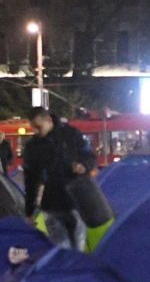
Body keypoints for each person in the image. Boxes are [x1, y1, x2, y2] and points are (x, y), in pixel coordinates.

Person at [20, 105, 96, 247]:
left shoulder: (72, 135)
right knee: (62, 250)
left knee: (76, 248)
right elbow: (30, 180)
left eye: (38, 127)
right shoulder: (32, 146)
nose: (35, 131)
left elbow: (90, 157)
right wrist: (29, 212)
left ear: (49, 120)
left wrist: (84, 166)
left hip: (76, 202)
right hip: (52, 205)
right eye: (33, 128)